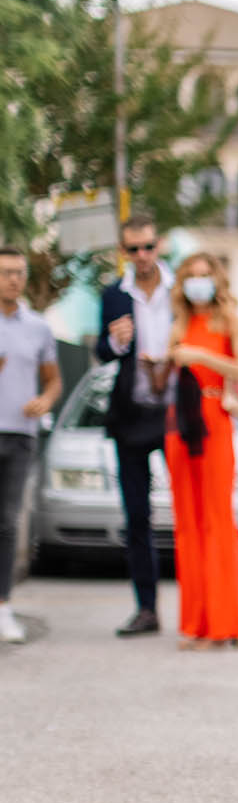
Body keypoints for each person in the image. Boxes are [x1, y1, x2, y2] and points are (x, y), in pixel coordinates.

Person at [163, 253, 238, 650]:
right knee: (187, 524)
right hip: (179, 424)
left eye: (205, 276)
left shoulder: (231, 321)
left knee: (218, 521)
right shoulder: (177, 325)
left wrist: (199, 356)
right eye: (191, 276)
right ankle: (193, 623)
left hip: (215, 418)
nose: (198, 282)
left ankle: (222, 624)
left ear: (216, 281)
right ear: (182, 283)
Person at [95, 217, 175, 637]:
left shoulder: (179, 291)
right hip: (131, 416)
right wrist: (116, 341)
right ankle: (147, 609)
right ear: (123, 251)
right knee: (138, 516)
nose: (141, 256)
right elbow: (101, 351)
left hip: (176, 415)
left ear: (158, 245)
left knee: (192, 513)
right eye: (133, 250)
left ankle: (202, 610)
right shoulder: (113, 295)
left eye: (147, 247)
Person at [0, 245, 61, 644]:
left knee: (7, 524)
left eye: (20, 272)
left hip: (20, 436)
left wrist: (46, 400)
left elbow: (54, 380)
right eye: (6, 272)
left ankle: (3, 607)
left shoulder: (38, 327)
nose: (14, 279)